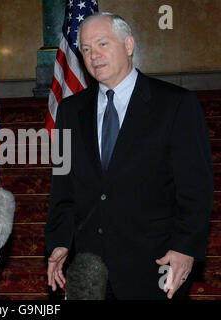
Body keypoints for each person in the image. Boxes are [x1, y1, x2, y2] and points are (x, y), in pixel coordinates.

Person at [45, 12, 213, 300]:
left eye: (102, 44)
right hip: (89, 270)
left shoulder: (176, 105)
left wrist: (185, 248)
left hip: (155, 266)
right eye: (86, 49)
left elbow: (196, 189)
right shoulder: (70, 110)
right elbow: (63, 186)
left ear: (129, 45)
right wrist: (60, 242)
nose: (93, 56)